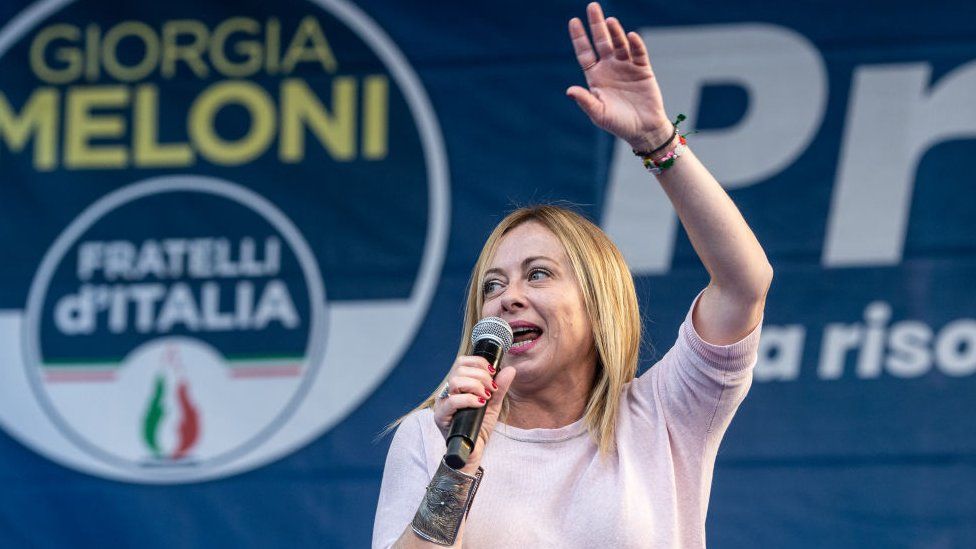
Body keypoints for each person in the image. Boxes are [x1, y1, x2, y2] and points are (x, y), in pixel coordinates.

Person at [372, 2, 773, 547]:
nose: (508, 298)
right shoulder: (432, 435)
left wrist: (657, 140)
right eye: (492, 285)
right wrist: (458, 468)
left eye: (537, 275)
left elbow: (743, 283)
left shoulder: (663, 414)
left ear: (597, 300)